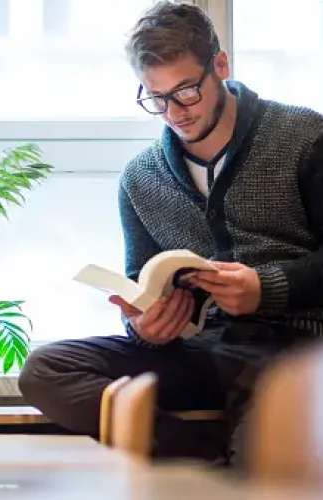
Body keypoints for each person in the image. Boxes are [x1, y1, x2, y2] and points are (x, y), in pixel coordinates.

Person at [18, 1, 323, 464]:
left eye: (185, 92)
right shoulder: (142, 178)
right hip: (204, 351)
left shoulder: (304, 138)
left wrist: (267, 288)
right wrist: (145, 328)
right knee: (47, 369)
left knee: (264, 462)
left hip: (298, 352)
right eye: (154, 98)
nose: (172, 112)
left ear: (219, 66)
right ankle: (200, 464)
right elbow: (141, 279)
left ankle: (222, 474)